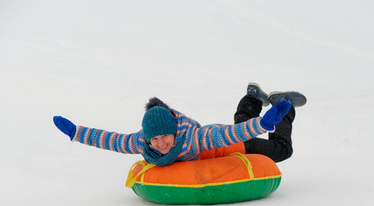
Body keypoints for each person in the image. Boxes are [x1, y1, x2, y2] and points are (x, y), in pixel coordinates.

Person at [53, 83, 306, 165]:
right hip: (232, 136)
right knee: (241, 125)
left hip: (229, 144)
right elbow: (110, 140)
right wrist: (77, 133)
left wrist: (263, 124)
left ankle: (283, 109)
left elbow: (231, 133)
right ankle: (252, 97)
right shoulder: (143, 144)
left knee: (283, 150)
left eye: (165, 137)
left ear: (174, 132)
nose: (160, 143)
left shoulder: (193, 139)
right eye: (155, 139)